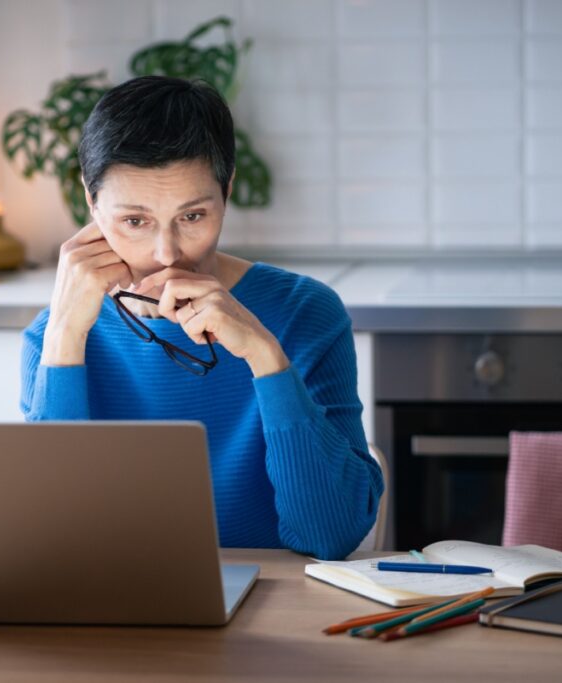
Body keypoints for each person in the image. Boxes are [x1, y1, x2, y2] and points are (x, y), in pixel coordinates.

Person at [21, 76, 382, 560]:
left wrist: (263, 354)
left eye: (192, 217)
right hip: (115, 616)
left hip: (278, 611)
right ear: (91, 203)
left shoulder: (305, 313)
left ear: (226, 192)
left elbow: (329, 535)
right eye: (134, 221)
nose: (165, 252)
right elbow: (53, 544)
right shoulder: (52, 337)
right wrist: (65, 338)